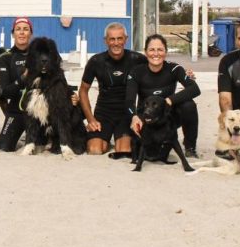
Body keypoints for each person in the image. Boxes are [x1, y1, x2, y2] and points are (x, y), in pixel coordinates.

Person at [79, 22, 147, 157]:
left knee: (124, 151)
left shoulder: (137, 59)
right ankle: (105, 139)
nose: (116, 43)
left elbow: (160, 67)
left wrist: (184, 73)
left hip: (126, 113)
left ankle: (118, 139)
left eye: (119, 38)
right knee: (95, 150)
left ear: (126, 39)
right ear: (106, 41)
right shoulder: (96, 61)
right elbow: (83, 91)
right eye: (112, 39)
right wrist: (90, 119)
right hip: (103, 113)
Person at [127, 34, 201, 158]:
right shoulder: (137, 72)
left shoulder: (174, 69)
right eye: (152, 50)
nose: (156, 54)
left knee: (189, 105)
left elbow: (194, 89)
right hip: (146, 117)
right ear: (145, 52)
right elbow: (129, 100)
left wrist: (169, 100)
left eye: (160, 50)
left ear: (166, 52)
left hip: (167, 116)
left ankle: (190, 146)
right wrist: (134, 117)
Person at [0, 17, 33, 152]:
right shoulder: (4, 57)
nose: (22, 33)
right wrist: (23, 78)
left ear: (31, 34)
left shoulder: (40, 56)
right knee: (2, 148)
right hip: (17, 109)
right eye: (18, 29)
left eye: (26, 29)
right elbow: (6, 92)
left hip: (39, 110)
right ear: (13, 34)